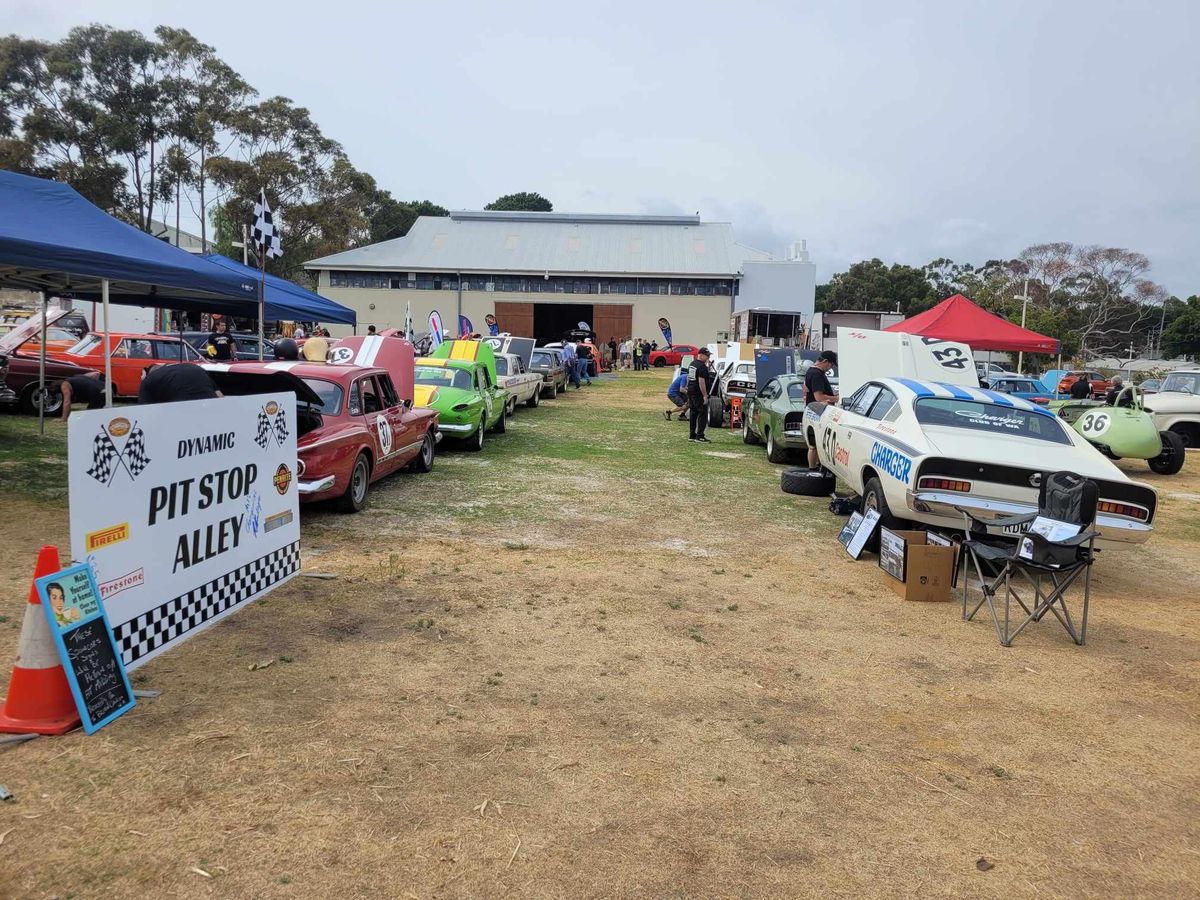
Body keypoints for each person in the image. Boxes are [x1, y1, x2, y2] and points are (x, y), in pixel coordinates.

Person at [804, 351, 839, 468]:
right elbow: (819, 397)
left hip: (812, 411)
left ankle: (816, 467)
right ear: (825, 361)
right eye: (831, 365)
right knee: (815, 445)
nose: (830, 368)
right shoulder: (817, 374)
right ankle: (813, 468)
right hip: (818, 413)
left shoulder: (810, 371)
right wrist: (837, 398)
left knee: (815, 445)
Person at [138, 363, 221, 404]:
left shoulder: (149, 379)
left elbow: (144, 409)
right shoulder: (196, 368)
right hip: (208, 407)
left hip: (181, 412)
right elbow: (219, 396)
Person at [687, 347, 714, 442]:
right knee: (703, 413)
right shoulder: (702, 367)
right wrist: (705, 395)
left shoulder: (692, 364)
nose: (708, 358)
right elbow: (701, 381)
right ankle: (700, 436)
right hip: (698, 393)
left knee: (693, 413)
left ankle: (692, 435)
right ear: (701, 355)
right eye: (707, 356)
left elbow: (689, 378)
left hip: (691, 391)